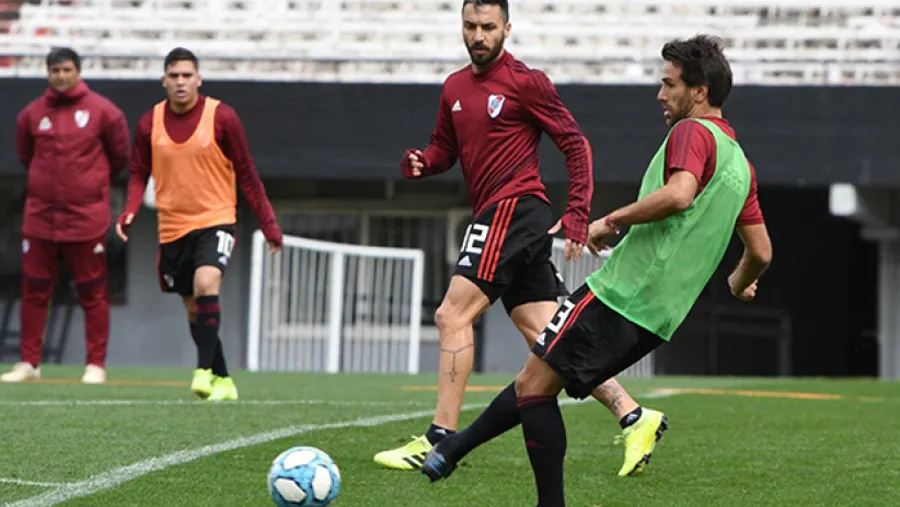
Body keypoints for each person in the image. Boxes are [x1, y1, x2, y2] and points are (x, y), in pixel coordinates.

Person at [420, 34, 773, 506]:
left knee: (534, 388)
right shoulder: (741, 166)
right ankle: (451, 451)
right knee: (536, 380)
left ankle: (482, 466)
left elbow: (678, 195)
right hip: (660, 317)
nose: (660, 94)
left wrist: (610, 221)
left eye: (669, 84)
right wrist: (739, 280)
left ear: (700, 92)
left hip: (621, 292)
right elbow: (761, 251)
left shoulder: (692, 132)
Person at [374, 0, 667, 477]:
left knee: (452, 314)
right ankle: (633, 415)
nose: (478, 35)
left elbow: (575, 143)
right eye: (470, 25)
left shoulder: (526, 82)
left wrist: (578, 211)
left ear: (507, 28)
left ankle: (438, 438)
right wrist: (424, 162)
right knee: (546, 334)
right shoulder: (454, 87)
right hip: (505, 216)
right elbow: (445, 148)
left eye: (488, 26)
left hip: (513, 209)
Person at [116, 47, 283, 401]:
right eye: (174, 76)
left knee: (206, 283)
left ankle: (203, 370)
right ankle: (223, 378)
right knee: (194, 309)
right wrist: (129, 211)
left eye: (186, 75)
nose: (180, 82)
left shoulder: (222, 117)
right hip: (172, 226)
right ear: (163, 80)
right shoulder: (149, 122)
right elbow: (138, 172)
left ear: (199, 79)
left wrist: (269, 225)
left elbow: (247, 173)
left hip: (216, 219)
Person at [2, 47, 131, 385]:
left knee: (93, 291)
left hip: (85, 219)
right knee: (34, 291)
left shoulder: (104, 112)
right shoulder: (31, 114)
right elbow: (26, 156)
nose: (60, 76)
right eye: (55, 70)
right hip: (41, 218)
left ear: (78, 71)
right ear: (48, 73)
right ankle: (29, 363)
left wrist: (88, 186)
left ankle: (95, 364)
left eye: (66, 70)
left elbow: (120, 157)